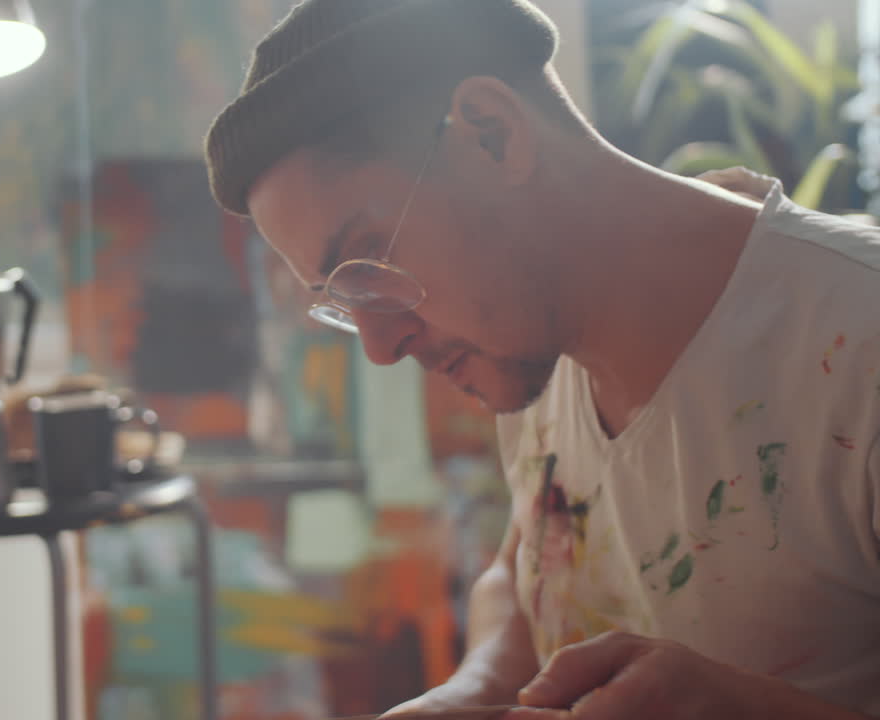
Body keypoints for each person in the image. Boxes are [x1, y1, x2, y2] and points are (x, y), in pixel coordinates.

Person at [203, 1, 880, 718]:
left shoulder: (855, 345)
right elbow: (527, 568)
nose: (379, 346)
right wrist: (473, 693)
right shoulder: (528, 344)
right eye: (343, 301)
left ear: (493, 134)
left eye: (368, 266)